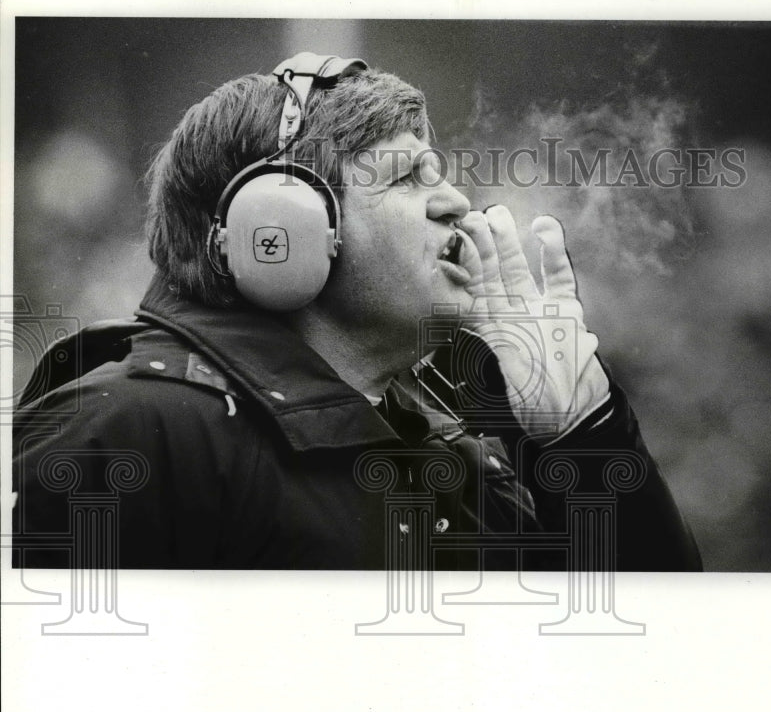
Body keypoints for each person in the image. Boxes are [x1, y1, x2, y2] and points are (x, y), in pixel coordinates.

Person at [12, 53, 702, 571]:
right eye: (406, 176)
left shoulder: (458, 458)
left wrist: (580, 444)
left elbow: (646, 684)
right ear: (277, 228)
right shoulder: (121, 433)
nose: (456, 202)